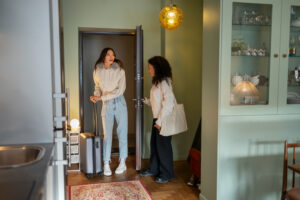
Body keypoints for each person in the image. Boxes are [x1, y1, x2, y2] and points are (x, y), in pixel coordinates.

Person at [90, 47, 128, 176]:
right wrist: (96, 96)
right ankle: (106, 162)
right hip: (106, 104)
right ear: (103, 56)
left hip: (120, 103)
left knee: (122, 134)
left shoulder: (120, 70)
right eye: (108, 54)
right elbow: (97, 87)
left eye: (113, 54)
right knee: (107, 135)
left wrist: (102, 97)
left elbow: (120, 91)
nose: (111, 56)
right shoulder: (97, 69)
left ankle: (122, 161)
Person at [140, 56, 175, 183]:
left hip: (162, 120)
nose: (149, 70)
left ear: (157, 68)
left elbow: (169, 104)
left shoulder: (164, 82)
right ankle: (154, 169)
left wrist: (160, 122)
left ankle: (167, 174)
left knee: (163, 148)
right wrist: (147, 101)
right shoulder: (157, 82)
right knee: (155, 146)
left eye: (150, 68)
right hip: (157, 119)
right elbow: (158, 102)